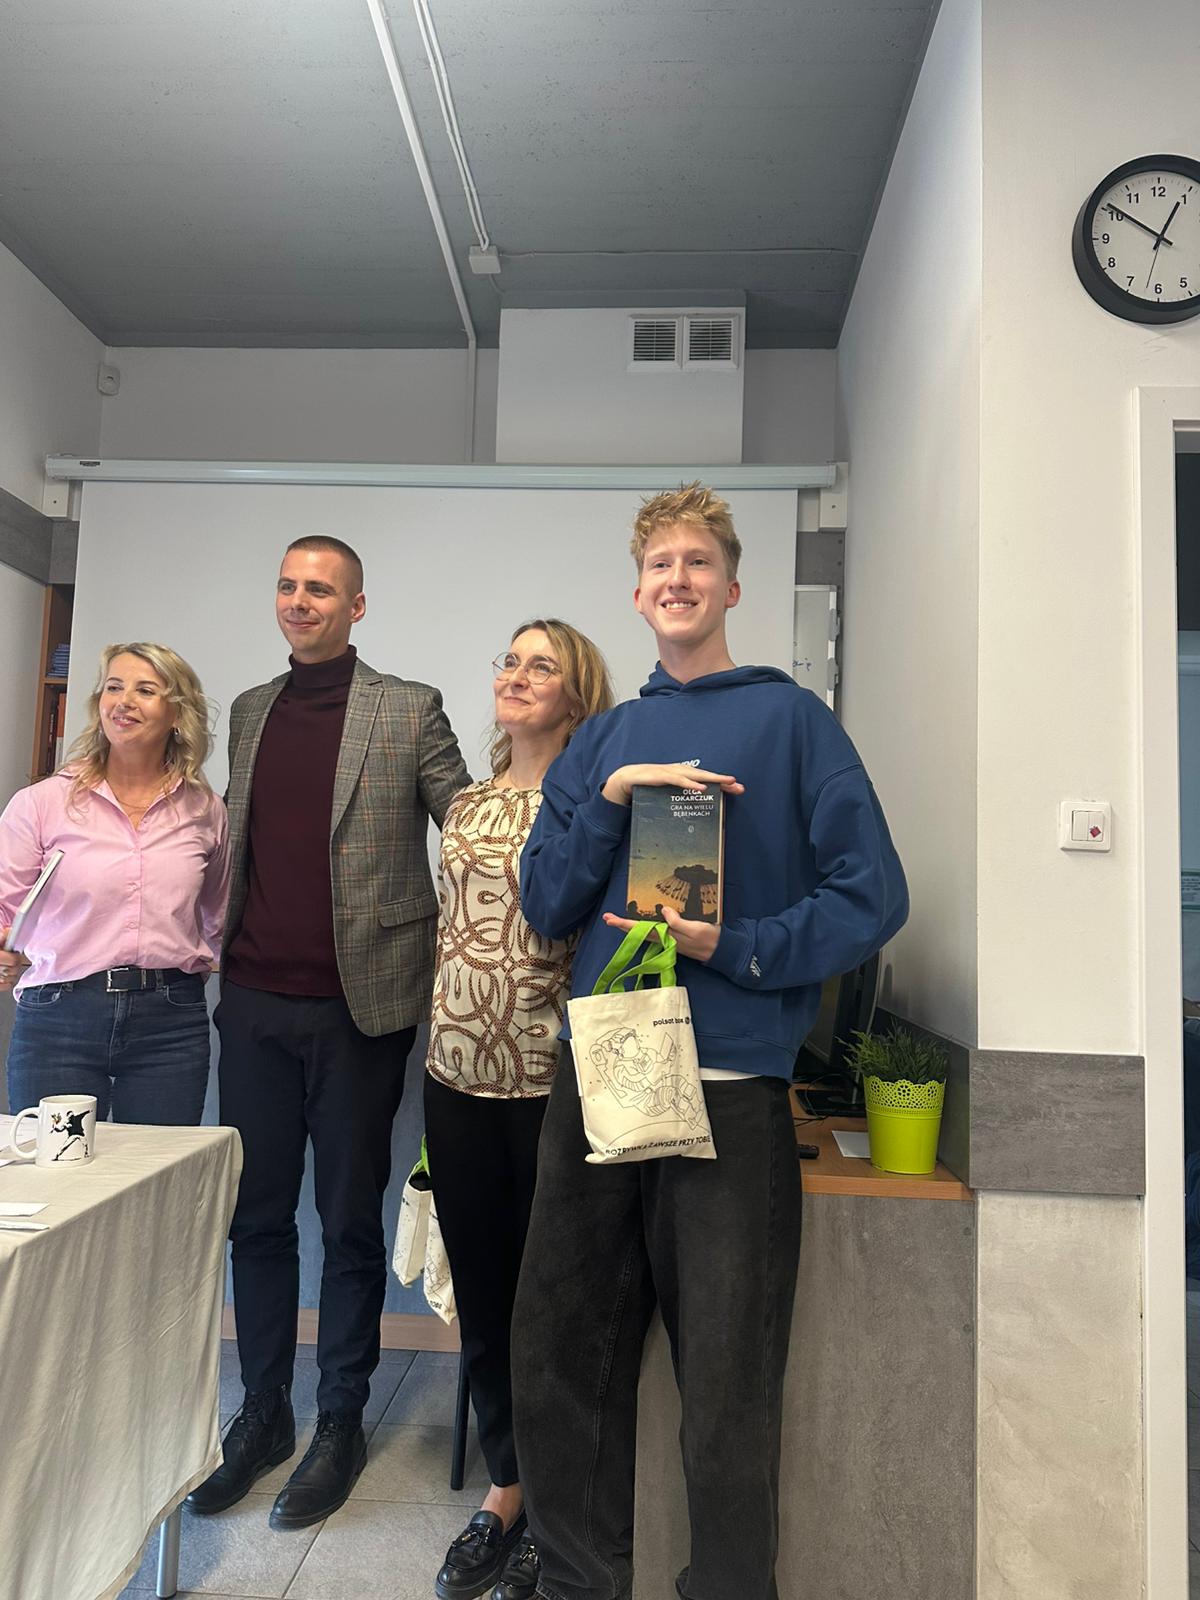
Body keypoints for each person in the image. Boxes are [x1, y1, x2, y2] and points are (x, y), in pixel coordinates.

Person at [511, 483, 909, 1600]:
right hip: (605, 1070)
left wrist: (735, 946)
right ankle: (579, 1582)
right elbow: (545, 903)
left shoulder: (796, 724)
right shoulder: (601, 741)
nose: (677, 579)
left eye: (698, 562)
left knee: (729, 1380)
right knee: (561, 1350)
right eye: (660, 565)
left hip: (730, 1077)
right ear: (638, 593)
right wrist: (610, 799)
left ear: (732, 587)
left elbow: (873, 895)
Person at [185, 535, 470, 1531]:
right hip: (254, 1003)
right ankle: (262, 1412)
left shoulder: (409, 707)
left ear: (357, 606)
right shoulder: (251, 710)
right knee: (258, 1218)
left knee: (348, 1221)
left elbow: (469, 826)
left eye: (320, 588)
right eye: (288, 585)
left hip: (363, 1010)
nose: (299, 600)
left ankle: (339, 1419)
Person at [425, 620, 614, 1600]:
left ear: (576, 694)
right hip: (453, 1077)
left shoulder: (591, 805)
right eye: (509, 660)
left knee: (554, 1308)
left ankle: (555, 1502)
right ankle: (506, 1488)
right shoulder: (464, 802)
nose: (517, 675)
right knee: (486, 1299)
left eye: (542, 665)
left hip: (552, 1083)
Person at [0, 642, 228, 1124]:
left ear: (176, 715)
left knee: (159, 1166)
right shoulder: (42, 802)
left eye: (145, 690)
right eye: (114, 687)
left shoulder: (205, 810)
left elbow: (221, 920)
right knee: (53, 1167)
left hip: (170, 1023)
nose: (123, 701)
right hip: (59, 1015)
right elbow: (3, 910)